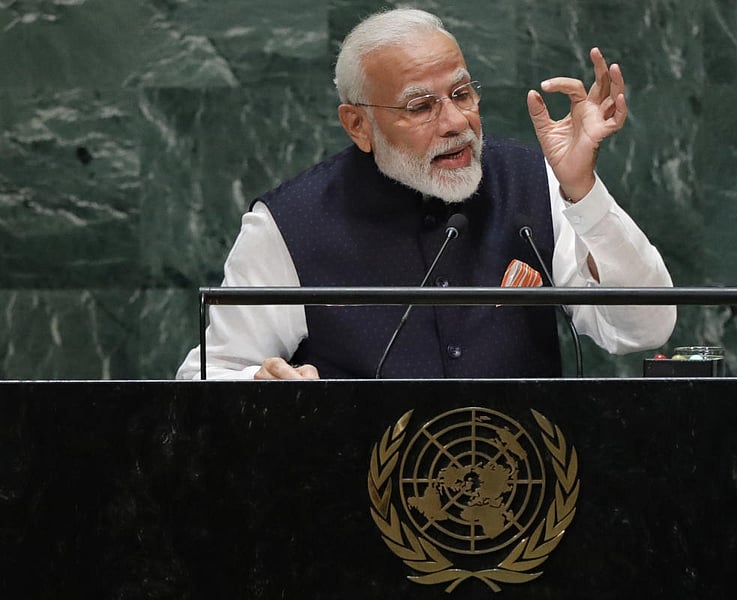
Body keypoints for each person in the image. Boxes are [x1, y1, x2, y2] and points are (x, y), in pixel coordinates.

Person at [176, 8, 676, 380]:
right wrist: (259, 383)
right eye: (420, 106)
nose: (457, 122)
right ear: (358, 125)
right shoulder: (288, 224)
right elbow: (211, 371)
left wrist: (581, 190)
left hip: (529, 496)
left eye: (462, 94)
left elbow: (645, 329)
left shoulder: (533, 180)